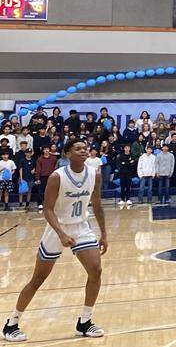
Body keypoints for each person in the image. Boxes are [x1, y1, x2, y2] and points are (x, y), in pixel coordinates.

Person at [4, 139, 108, 342]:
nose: (83, 151)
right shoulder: (57, 177)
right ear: (67, 154)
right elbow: (48, 209)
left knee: (96, 270)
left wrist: (104, 233)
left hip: (80, 227)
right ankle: (12, 323)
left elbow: (96, 204)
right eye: (78, 148)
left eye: (85, 148)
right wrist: (60, 233)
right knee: (38, 278)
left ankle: (85, 321)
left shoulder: (94, 174)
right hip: (56, 229)